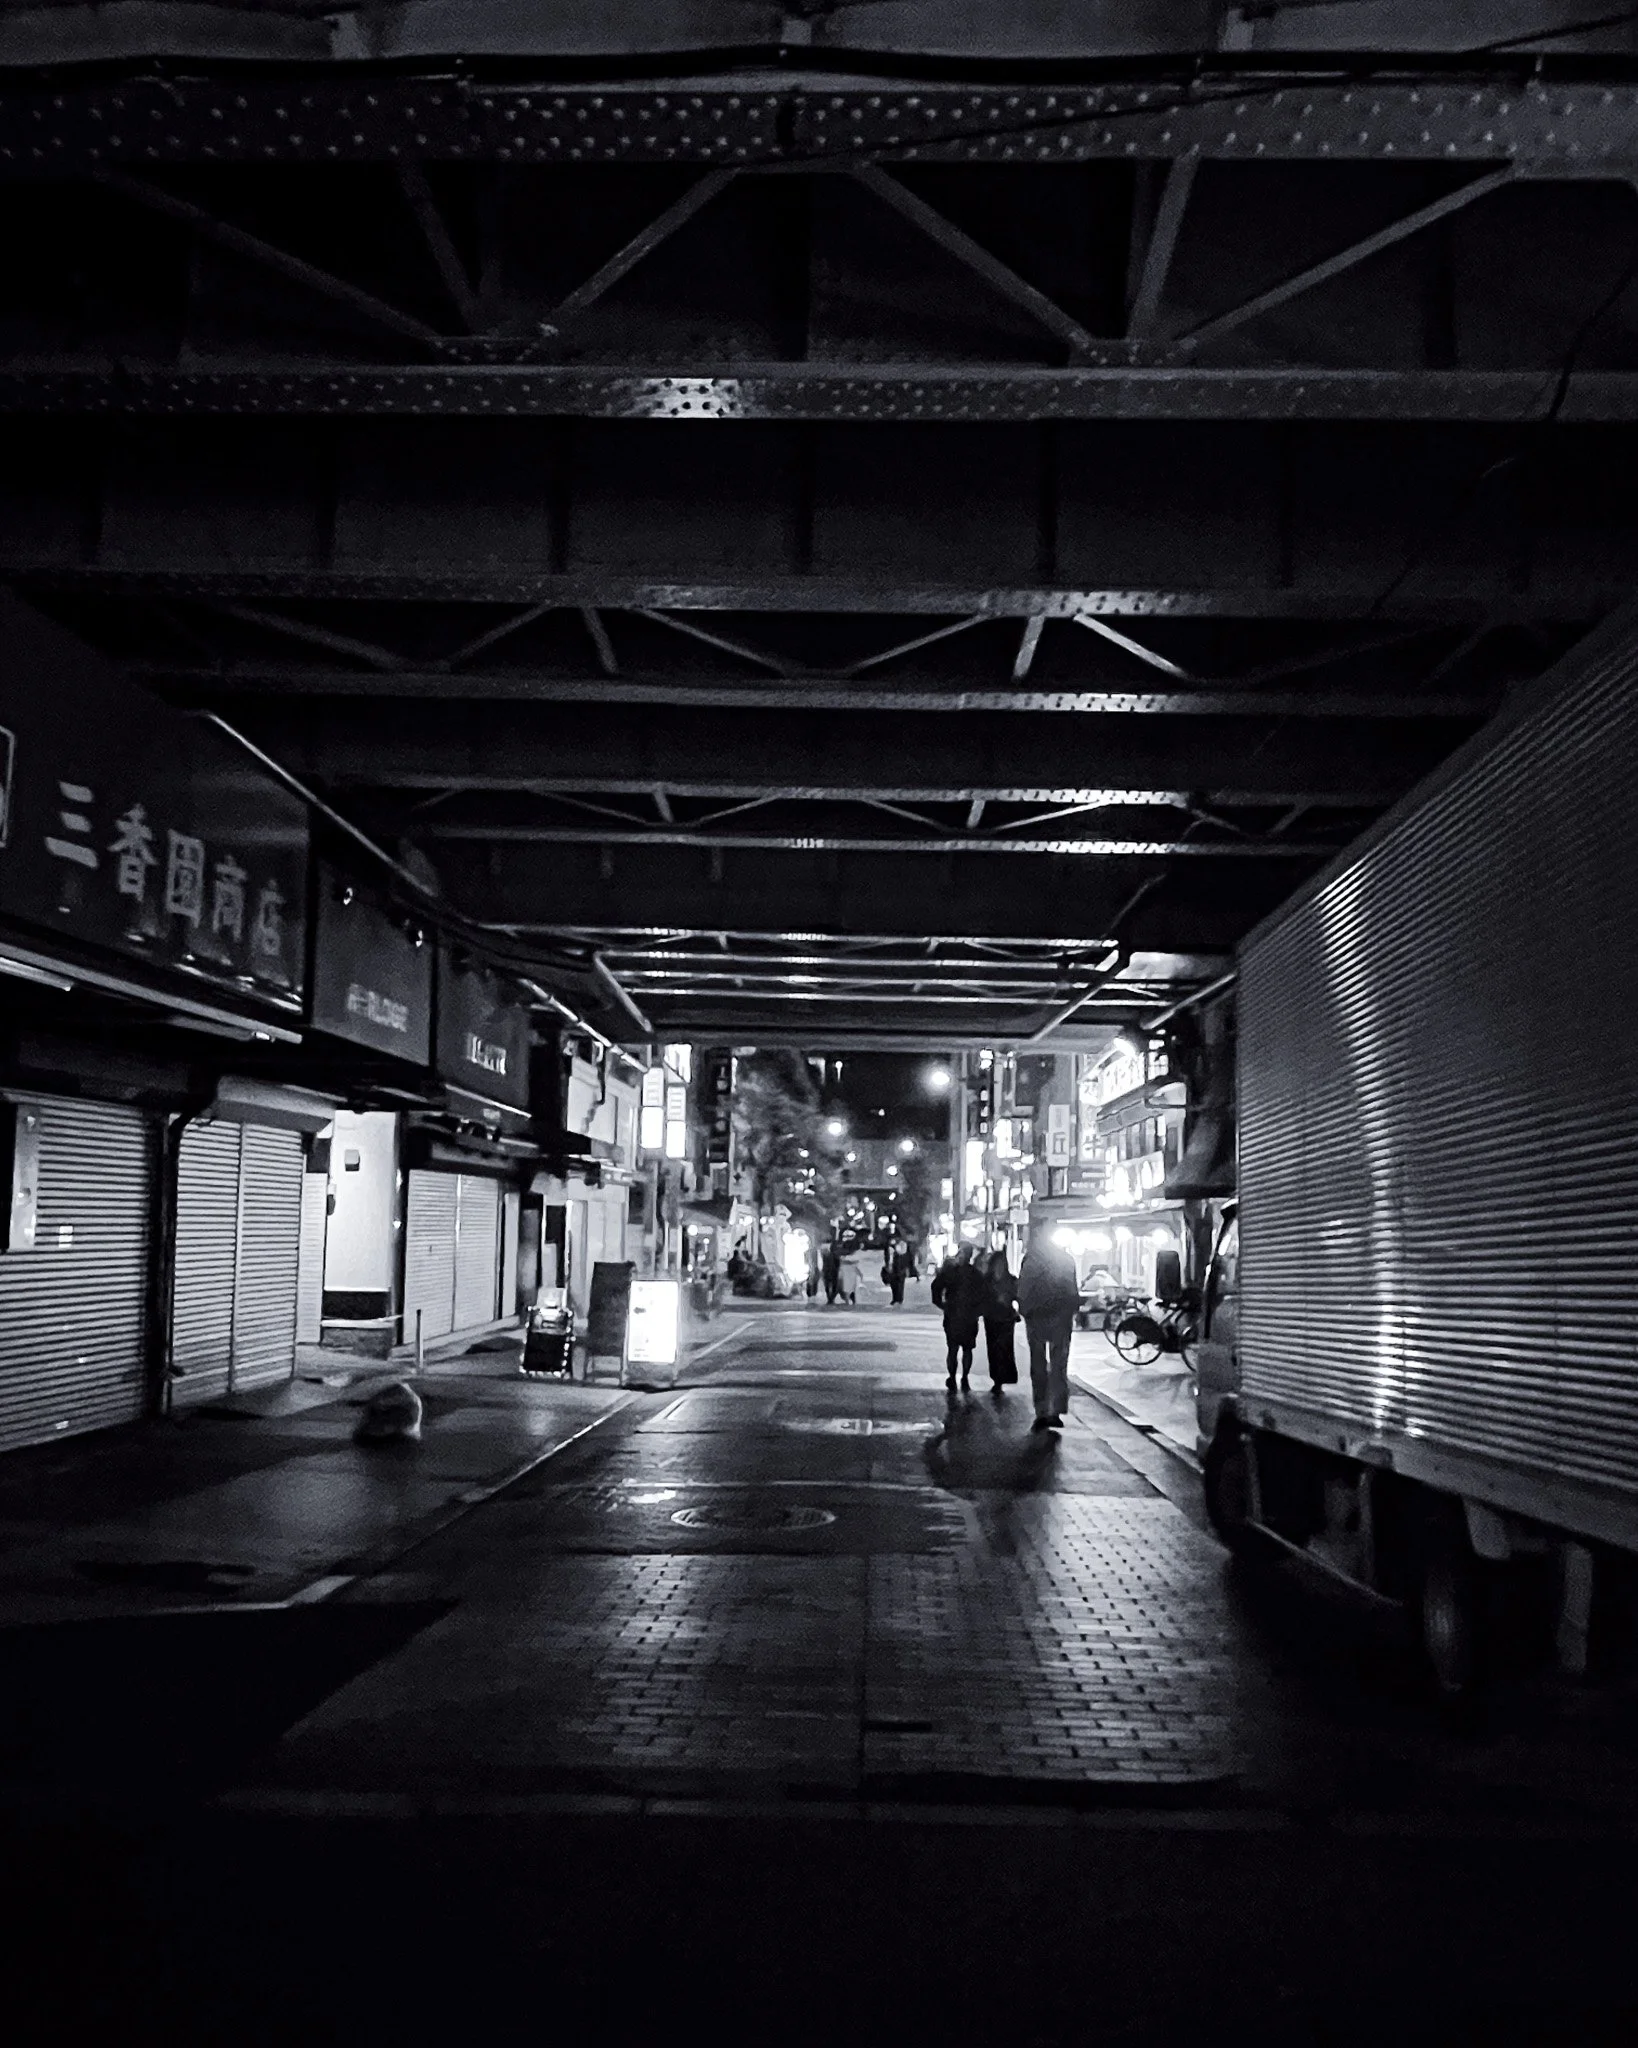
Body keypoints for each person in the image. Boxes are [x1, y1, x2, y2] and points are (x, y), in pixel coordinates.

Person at [1016, 1223, 1081, 1434]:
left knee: (1040, 1363)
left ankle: (1043, 1409)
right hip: (1058, 1317)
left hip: (1038, 1316)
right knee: (1058, 1363)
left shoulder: (1032, 1259)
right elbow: (1072, 1289)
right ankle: (1053, 1409)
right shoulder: (1064, 1259)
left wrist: (1025, 1310)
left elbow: (1023, 1288)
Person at [930, 1244, 985, 1393]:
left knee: (953, 1348)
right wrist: (978, 1310)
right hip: (968, 1316)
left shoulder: (951, 1272)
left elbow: (936, 1286)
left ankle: (953, 1377)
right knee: (967, 1349)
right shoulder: (976, 1274)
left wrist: (941, 1304)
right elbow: (984, 1294)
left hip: (953, 1314)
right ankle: (964, 1377)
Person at [980, 1245, 1019, 1396]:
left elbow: (1018, 1295)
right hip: (992, 1317)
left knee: (1005, 1349)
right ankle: (997, 1378)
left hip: (1006, 1318)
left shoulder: (1010, 1280)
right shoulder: (986, 1281)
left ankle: (1001, 1379)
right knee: (994, 1349)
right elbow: (981, 1297)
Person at [881, 1236, 916, 1306]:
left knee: (899, 1283)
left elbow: (908, 1258)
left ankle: (898, 1298)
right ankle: (896, 1298)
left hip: (899, 1267)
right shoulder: (890, 1247)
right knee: (895, 1283)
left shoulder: (902, 1245)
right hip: (895, 1267)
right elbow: (887, 1257)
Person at [821, 1239, 842, 1306]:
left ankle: (830, 1299)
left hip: (829, 1271)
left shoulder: (826, 1255)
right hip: (832, 1271)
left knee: (829, 1286)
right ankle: (830, 1299)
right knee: (832, 1286)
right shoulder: (834, 1255)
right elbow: (838, 1264)